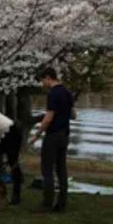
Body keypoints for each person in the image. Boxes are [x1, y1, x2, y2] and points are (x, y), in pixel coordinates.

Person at [31, 67, 75, 212]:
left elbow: (48, 117)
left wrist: (37, 134)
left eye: (42, 80)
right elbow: (74, 114)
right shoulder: (67, 92)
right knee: (61, 169)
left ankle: (47, 204)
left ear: (48, 78)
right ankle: (61, 203)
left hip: (53, 135)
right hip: (65, 134)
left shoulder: (53, 94)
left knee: (47, 170)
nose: (42, 84)